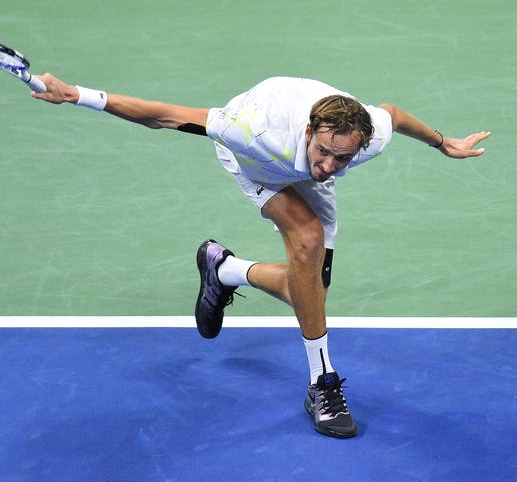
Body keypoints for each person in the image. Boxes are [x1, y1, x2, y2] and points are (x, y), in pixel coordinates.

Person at [30, 74, 490, 438]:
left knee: (308, 293)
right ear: (310, 131)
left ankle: (224, 270)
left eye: (342, 160)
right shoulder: (251, 132)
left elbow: (392, 113)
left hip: (295, 164)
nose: (330, 166)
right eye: (326, 151)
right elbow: (166, 117)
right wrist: (77, 95)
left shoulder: (364, 138)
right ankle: (323, 386)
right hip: (257, 166)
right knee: (307, 240)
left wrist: (442, 142)